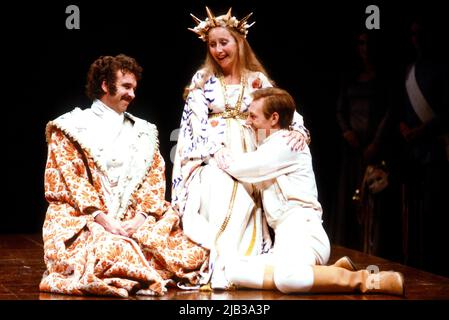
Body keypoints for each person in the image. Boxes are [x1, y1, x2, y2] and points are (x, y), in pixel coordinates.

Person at [40, 54, 208, 298]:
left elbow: (153, 179)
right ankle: (130, 273)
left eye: (134, 88)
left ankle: (133, 271)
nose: (132, 94)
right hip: (86, 219)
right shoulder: (70, 127)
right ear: (106, 85)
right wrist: (104, 220)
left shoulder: (144, 131)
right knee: (109, 251)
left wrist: (139, 218)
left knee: (192, 253)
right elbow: (71, 180)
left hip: (131, 219)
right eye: (126, 87)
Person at [172, 7, 310, 289]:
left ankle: (239, 265)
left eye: (224, 42)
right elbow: (193, 122)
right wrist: (211, 151)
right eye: (213, 44)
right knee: (219, 192)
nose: (218, 50)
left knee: (248, 200)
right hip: (214, 152)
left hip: (250, 153)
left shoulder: (256, 80)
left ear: (238, 42)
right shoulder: (203, 79)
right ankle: (218, 262)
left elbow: (281, 108)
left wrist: (298, 131)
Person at [219, 87, 404, 295]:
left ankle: (366, 279)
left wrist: (219, 152)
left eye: (253, 116)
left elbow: (244, 168)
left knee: (287, 279)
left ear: (274, 119)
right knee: (233, 271)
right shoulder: (269, 141)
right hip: (284, 240)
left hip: (304, 233)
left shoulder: (286, 144)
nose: (248, 121)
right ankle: (329, 274)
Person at [332, 31, 400, 256]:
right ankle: (348, 250)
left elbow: (390, 113)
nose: (365, 49)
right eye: (361, 43)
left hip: (374, 150)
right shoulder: (350, 78)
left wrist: (376, 143)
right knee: (350, 199)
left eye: (369, 44)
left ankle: (372, 251)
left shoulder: (384, 80)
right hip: (352, 149)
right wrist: (346, 131)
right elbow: (340, 110)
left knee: (373, 201)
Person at [398, 15, 449, 277]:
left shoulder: (443, 68)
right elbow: (403, 108)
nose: (416, 40)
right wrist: (404, 127)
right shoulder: (409, 69)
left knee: (433, 216)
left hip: (435, 151)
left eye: (421, 34)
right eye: (413, 35)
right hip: (413, 153)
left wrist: (422, 130)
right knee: (412, 216)